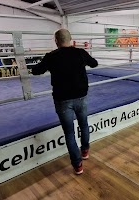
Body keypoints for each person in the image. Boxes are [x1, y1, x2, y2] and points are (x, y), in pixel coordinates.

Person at [32, 29, 98, 175]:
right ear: (71, 39)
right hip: (81, 97)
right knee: (84, 124)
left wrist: (28, 67)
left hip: (63, 100)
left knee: (69, 133)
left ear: (56, 40)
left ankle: (78, 165)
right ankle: (85, 151)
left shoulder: (51, 56)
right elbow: (94, 64)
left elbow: (37, 71)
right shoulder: (80, 53)